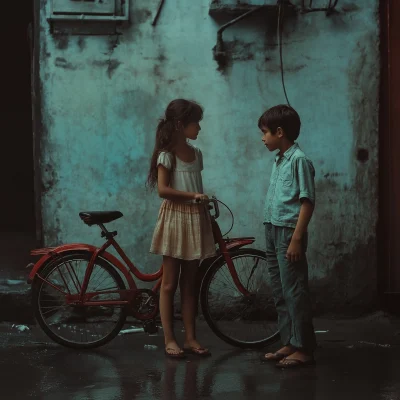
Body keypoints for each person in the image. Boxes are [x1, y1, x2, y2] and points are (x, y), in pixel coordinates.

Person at [146, 99, 216, 359]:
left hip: (195, 218)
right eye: (195, 122)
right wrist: (193, 196)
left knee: (190, 285)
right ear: (179, 125)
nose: (199, 128)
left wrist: (202, 201)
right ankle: (169, 338)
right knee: (168, 284)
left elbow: (196, 184)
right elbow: (163, 190)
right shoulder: (167, 155)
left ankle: (190, 337)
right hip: (175, 218)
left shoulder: (196, 154)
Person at [258, 104, 317, 369]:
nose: (262, 138)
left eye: (264, 133)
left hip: (287, 233)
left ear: (279, 132)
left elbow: (307, 202)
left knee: (294, 291)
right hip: (272, 228)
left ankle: (304, 348)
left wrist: (295, 238)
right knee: (280, 291)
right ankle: (290, 341)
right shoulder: (280, 160)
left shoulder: (299, 160)